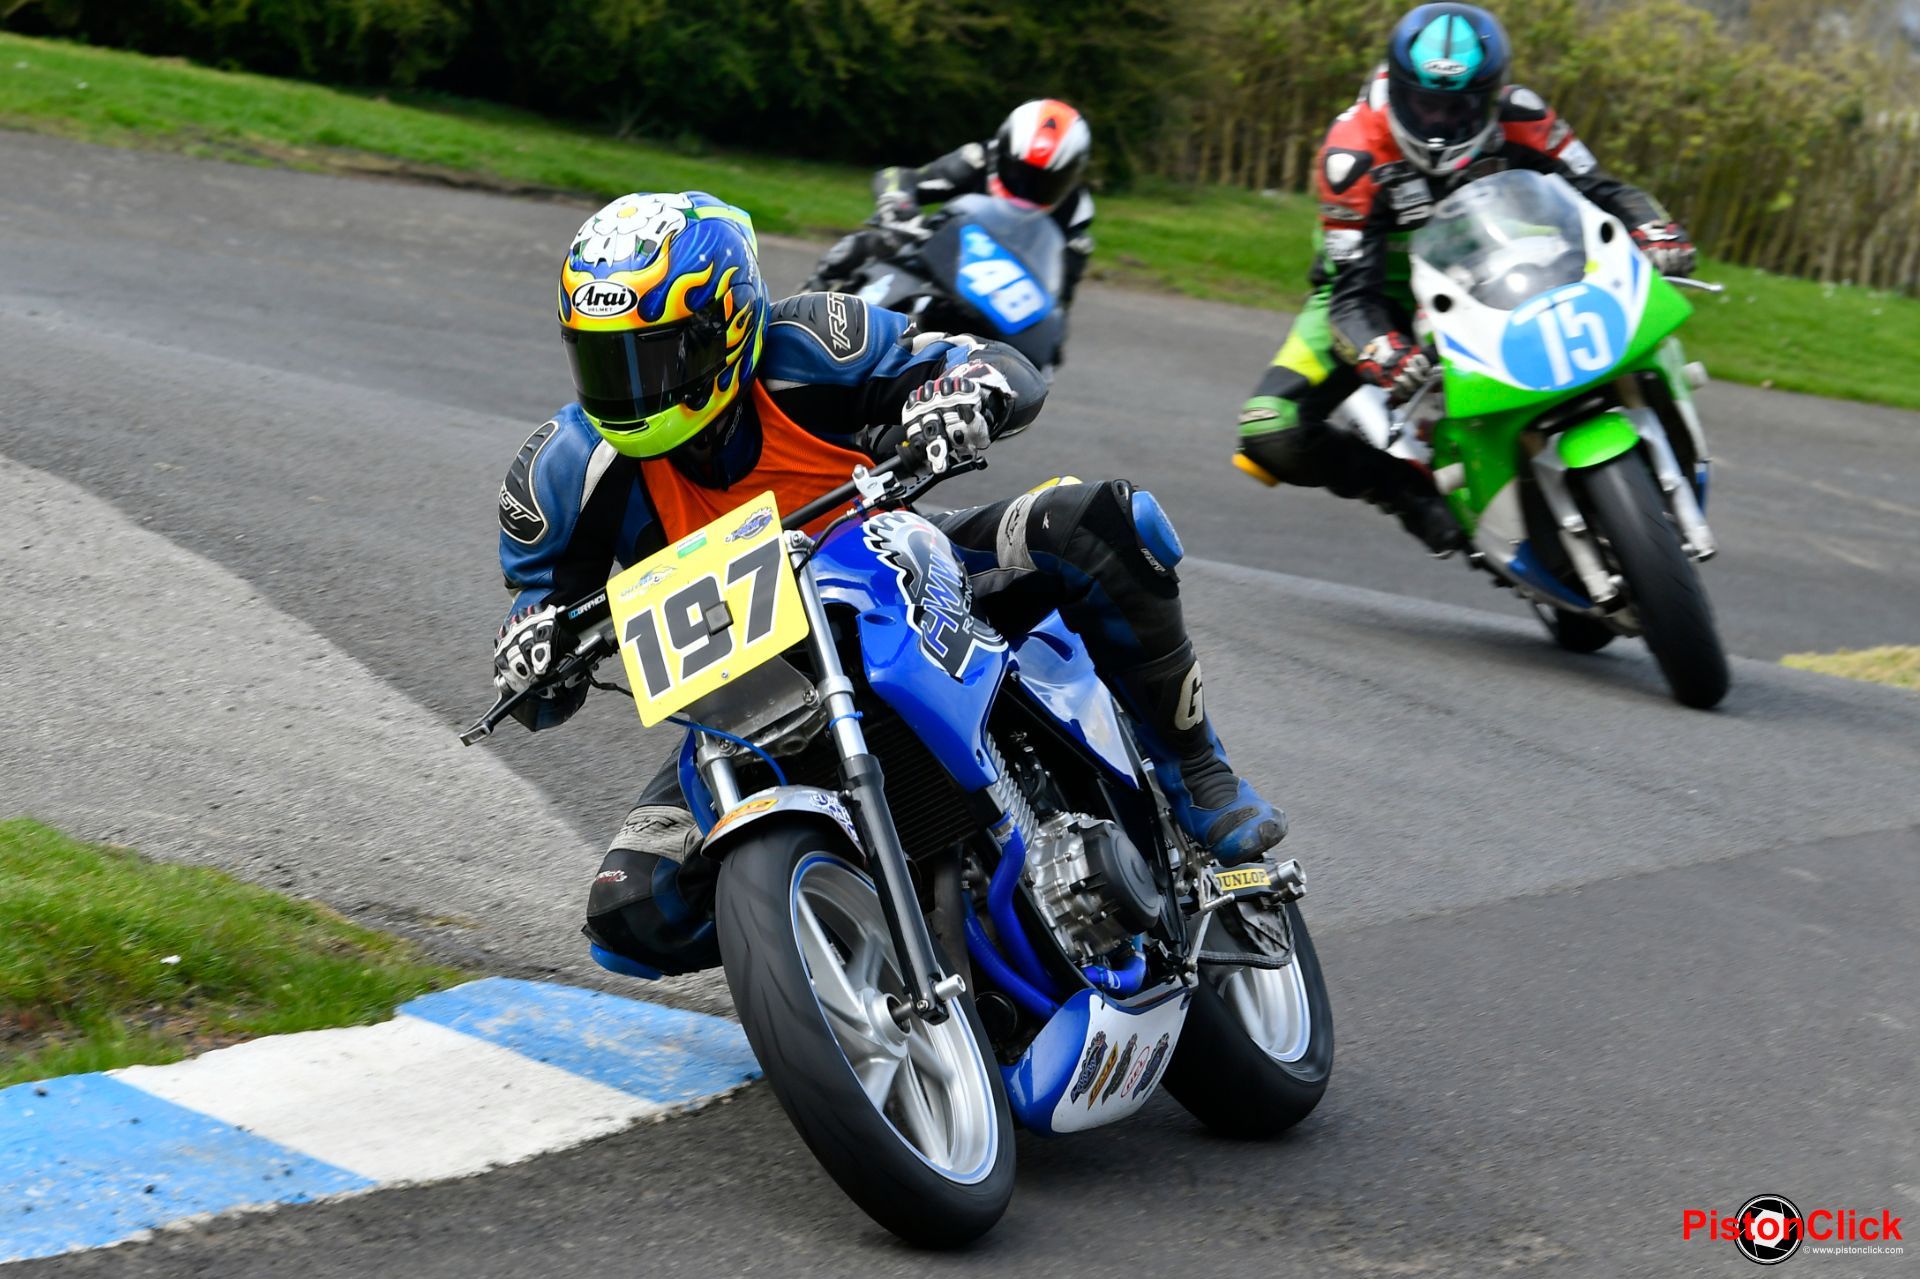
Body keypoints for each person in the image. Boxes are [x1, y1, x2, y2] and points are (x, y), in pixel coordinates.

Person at [492, 190, 1282, 978]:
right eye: (604, 360)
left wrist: (964, 394)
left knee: (1104, 522)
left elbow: (989, 363)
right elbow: (542, 634)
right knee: (630, 910)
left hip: (902, 567)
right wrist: (534, 657)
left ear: (726, 327)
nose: (629, 388)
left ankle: (1196, 771)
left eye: (653, 356)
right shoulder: (565, 469)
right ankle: (840, 929)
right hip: (742, 681)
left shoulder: (811, 340)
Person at [1233, 3, 1697, 553]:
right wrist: (1378, 347)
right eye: (1423, 104)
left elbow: (1602, 189)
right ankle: (1407, 493)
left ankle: (1656, 419)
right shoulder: (1351, 154)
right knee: (1270, 428)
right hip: (1381, 290)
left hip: (1500, 258)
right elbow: (1351, 295)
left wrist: (1654, 228)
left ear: (1493, 97)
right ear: (1396, 88)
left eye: (1458, 108)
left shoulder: (1524, 114)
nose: (1437, 123)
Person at [806, 98, 1095, 360]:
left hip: (1000, 296)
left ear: (1071, 174)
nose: (1028, 186)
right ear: (1003, 152)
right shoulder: (977, 159)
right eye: (1020, 171)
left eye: (1046, 180)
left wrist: (1050, 337)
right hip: (943, 257)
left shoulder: (1076, 213)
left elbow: (1060, 296)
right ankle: (803, 309)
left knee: (1041, 358)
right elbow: (898, 177)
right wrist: (900, 209)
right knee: (865, 244)